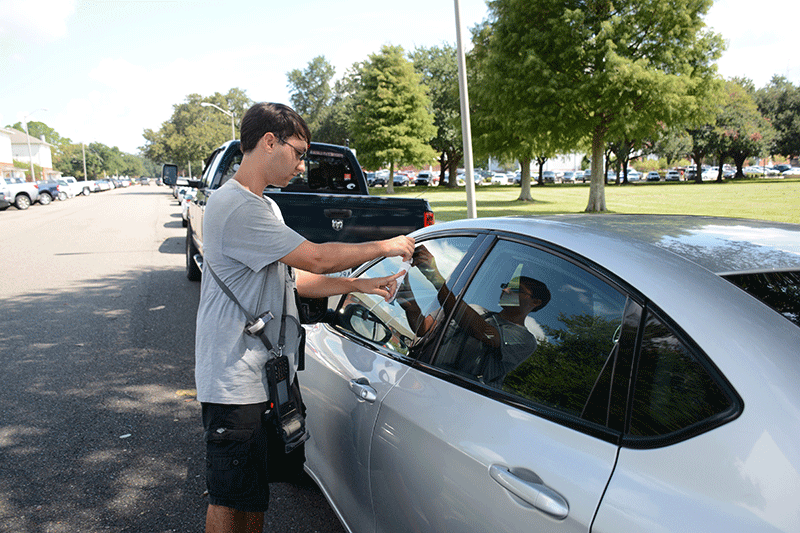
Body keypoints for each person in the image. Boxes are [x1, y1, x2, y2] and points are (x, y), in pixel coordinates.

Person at [195, 102, 414, 533]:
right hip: (234, 379)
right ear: (269, 142)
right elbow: (315, 254)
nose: (301, 164)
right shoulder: (237, 206)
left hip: (263, 376)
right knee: (229, 496)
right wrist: (384, 245)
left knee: (254, 490)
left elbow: (296, 277)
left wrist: (360, 285)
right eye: (299, 152)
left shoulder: (265, 207)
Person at [397, 246, 550, 386]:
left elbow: (483, 332)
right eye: (506, 285)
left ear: (535, 302)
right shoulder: (474, 310)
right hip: (423, 379)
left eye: (516, 289)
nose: (505, 290)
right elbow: (424, 328)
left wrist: (434, 276)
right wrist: (409, 302)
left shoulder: (525, 340)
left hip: (462, 396)